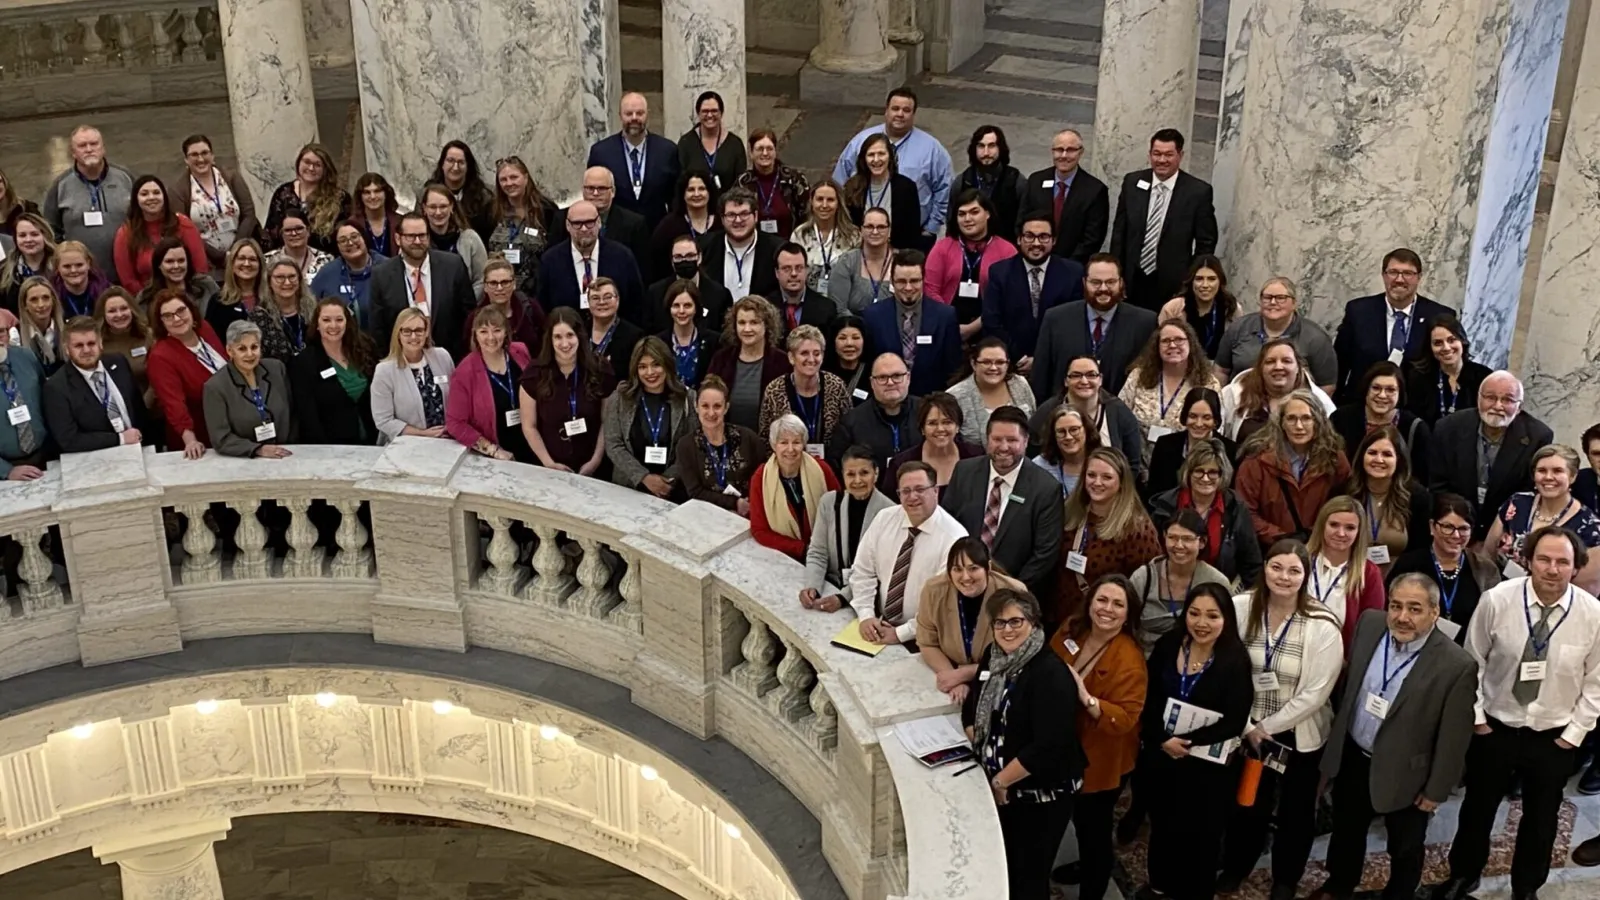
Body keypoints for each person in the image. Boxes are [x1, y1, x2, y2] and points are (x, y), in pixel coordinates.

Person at [1431, 527, 1600, 900]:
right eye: (1544, 559)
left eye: (1562, 562)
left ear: (1576, 568)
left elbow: (1596, 683)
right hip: (1495, 728)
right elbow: (1471, 662)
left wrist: (1572, 735)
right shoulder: (1497, 600)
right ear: (1528, 559)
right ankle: (1464, 874)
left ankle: (1526, 888)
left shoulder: (1592, 615)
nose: (1552, 569)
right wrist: (1477, 718)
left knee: (1541, 822)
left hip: (1553, 736)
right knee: (1477, 810)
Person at [1312, 575, 1478, 900]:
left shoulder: (1456, 665)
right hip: (1355, 756)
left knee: (1405, 845)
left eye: (1415, 609)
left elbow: (1453, 739)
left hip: (1409, 774)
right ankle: (1339, 884)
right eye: (1396, 606)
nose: (1402, 617)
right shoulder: (1370, 624)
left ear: (1435, 612)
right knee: (1347, 829)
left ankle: (1400, 894)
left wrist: (1435, 790)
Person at [1219, 539, 1344, 900]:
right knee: (1246, 805)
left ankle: (1286, 879)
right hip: (1246, 728)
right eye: (1276, 567)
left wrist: (1265, 729)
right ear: (1265, 568)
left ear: (1305, 577)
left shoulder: (1321, 624)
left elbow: (1316, 694)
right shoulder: (1241, 608)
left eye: (1294, 570)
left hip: (1296, 736)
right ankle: (1236, 866)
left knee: (1296, 813)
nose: (1284, 577)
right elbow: (1225, 670)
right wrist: (1247, 727)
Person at [960, 587, 1083, 900]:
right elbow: (973, 703)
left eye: (1016, 622)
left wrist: (1001, 780)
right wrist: (980, 743)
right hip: (1002, 786)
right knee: (1005, 868)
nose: (1007, 630)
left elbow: (1048, 747)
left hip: (1041, 795)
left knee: (1028, 877)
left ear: (1034, 623)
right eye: (1000, 623)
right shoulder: (993, 654)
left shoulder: (1050, 674)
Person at [1138, 582, 1254, 900]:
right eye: (1195, 613)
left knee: (1201, 837)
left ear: (1226, 619)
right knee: (1162, 826)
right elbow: (1147, 697)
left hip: (1207, 767)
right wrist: (1162, 739)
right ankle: (1158, 885)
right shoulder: (1168, 645)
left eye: (1212, 616)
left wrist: (1185, 742)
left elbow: (1234, 719)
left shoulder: (1235, 661)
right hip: (1164, 755)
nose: (1201, 623)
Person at [1044, 573, 1145, 900]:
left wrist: (1087, 698)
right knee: (1072, 817)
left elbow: (1125, 719)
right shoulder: (1072, 628)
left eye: (1118, 604)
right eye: (1102, 600)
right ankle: (1084, 866)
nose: (1107, 609)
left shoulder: (1130, 660)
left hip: (1101, 761)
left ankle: (1093, 885)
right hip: (1061, 746)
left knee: (1094, 830)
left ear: (1128, 614)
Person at [941, 405, 1063, 599]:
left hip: (1014, 594)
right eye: (997, 439)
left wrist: (1010, 590)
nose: (1004, 447)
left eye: (1012, 440)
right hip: (960, 587)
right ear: (987, 440)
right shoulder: (964, 472)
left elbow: (1045, 554)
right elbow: (946, 527)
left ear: (1026, 441)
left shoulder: (1046, 488)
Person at [850, 460, 968, 644]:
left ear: (936, 491)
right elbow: (863, 571)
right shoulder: (884, 519)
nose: (912, 497)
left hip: (928, 638)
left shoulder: (955, 538)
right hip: (880, 625)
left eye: (920, 489)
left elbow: (943, 603)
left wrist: (900, 634)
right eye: (905, 491)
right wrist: (866, 615)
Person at [1428, 370, 1554, 541]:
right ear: (1478, 398)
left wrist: (1499, 534)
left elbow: (1529, 493)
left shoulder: (1538, 437)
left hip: (1504, 532)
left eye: (1508, 400)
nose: (1497, 406)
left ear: (1519, 408)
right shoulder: (1448, 428)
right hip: (1453, 529)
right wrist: (1459, 530)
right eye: (1490, 397)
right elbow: (1438, 485)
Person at [1108, 129, 1218, 311]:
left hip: (1173, 284)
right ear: (1150, 154)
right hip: (1131, 278)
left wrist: (1190, 280)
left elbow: (1206, 242)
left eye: (1168, 154)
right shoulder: (1132, 182)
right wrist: (1116, 274)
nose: (1161, 160)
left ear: (1180, 155)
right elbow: (1119, 232)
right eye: (1156, 154)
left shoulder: (1198, 192)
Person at [1333, 249, 1455, 405]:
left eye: (1408, 273)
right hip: (1362, 407)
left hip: (1418, 409)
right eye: (1393, 272)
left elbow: (1449, 367)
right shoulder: (1358, 312)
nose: (1399, 279)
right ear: (1383, 275)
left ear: (1419, 277)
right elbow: (1340, 364)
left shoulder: (1439, 315)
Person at [832, 88, 954, 242]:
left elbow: (945, 189)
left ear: (914, 114)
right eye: (895, 108)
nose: (900, 114)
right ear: (886, 111)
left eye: (906, 110)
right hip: (858, 237)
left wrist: (931, 228)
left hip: (909, 237)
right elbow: (838, 183)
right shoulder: (860, 142)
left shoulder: (932, 149)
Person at [1235, 389, 1353, 549]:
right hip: (1269, 548)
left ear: (1317, 422)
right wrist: (1281, 538)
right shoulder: (1256, 461)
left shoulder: (1334, 459)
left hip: (1319, 547)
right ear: (1281, 423)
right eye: (1291, 418)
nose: (1299, 426)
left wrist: (1316, 536)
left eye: (1306, 418)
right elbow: (1246, 512)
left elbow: (1344, 502)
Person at [1057, 447, 1162, 626]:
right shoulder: (1069, 513)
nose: (1097, 482)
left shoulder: (1137, 529)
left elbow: (1145, 585)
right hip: (1061, 619)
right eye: (1091, 475)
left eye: (1106, 477)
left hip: (1103, 624)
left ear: (1122, 482)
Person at [915, 537, 1028, 701]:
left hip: (999, 680)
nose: (965, 577)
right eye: (957, 569)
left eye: (973, 568)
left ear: (987, 567)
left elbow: (1019, 655)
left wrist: (964, 674)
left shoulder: (1014, 593)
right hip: (950, 673)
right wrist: (952, 677)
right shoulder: (933, 590)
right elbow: (927, 642)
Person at [1032, 253, 1158, 398]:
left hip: (1119, 414)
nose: (1103, 288)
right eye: (1096, 282)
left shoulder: (1145, 322)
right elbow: (1040, 378)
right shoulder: (1055, 319)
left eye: (1110, 282)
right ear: (1084, 283)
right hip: (1065, 413)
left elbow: (1149, 376)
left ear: (1121, 283)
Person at [1484, 444, 1600, 595]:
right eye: (1542, 471)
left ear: (1572, 476)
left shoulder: (1590, 526)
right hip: (1502, 596)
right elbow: (1487, 554)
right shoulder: (1517, 503)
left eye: (1557, 471)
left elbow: (1582, 590)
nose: (1548, 477)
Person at [1386, 492, 1500, 642]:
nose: (1456, 535)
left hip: (1467, 652)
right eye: (1448, 527)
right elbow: (1390, 610)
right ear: (1432, 527)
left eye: (1463, 529)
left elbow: (1495, 618)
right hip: (1414, 647)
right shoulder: (1409, 564)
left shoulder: (1485, 569)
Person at [1149, 438, 1262, 588]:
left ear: (1223, 475)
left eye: (1213, 472)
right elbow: (1151, 556)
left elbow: (1251, 563)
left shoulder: (1236, 508)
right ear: (1188, 473)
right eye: (1199, 471)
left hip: (1217, 590)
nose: (1205, 478)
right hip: (1168, 588)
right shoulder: (1165, 506)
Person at [980, 213, 1084, 375]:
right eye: (1029, 236)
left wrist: (1042, 359)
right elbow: (992, 322)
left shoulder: (1073, 273)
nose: (1036, 243)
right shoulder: (1000, 272)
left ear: (1054, 240)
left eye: (1043, 237)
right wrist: (1019, 358)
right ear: (1019, 239)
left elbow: (1074, 324)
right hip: (1012, 365)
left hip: (1057, 366)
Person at [517, 307, 615, 475]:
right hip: (548, 466)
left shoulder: (600, 370)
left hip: (595, 465)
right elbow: (529, 426)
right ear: (550, 339)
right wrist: (549, 463)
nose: (564, 344)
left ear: (580, 336)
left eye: (570, 335)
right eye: (558, 337)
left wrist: (595, 461)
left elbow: (608, 422)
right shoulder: (534, 374)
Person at [801, 445, 895, 613]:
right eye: (851, 474)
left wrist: (843, 597)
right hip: (831, 587)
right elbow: (818, 552)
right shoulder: (829, 503)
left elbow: (879, 570)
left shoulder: (890, 512)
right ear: (843, 476)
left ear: (876, 473)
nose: (857, 480)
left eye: (864, 473)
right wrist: (812, 586)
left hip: (868, 600)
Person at [370, 212, 475, 357]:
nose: (418, 241)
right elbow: (378, 328)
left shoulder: (453, 266)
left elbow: (469, 316)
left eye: (422, 235)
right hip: (402, 361)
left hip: (450, 358)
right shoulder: (381, 274)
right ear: (398, 238)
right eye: (411, 236)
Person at [602, 335, 694, 499]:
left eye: (656, 365)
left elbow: (692, 445)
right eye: (642, 366)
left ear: (667, 364)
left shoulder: (688, 398)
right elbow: (613, 444)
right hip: (628, 489)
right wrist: (643, 477)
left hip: (673, 492)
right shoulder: (620, 398)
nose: (650, 372)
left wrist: (665, 482)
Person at [1118, 319, 1220, 466]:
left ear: (1190, 343)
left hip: (1188, 468)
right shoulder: (1138, 377)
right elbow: (1120, 418)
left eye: (1179, 340)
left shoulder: (1208, 383)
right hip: (1138, 465)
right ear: (1157, 347)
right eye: (1166, 341)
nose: (1172, 345)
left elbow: (1214, 428)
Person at [1027, 355, 1145, 480]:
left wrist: (1118, 492)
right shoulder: (1046, 413)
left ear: (1100, 379)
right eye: (1076, 375)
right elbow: (1032, 456)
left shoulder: (1120, 412)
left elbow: (1132, 463)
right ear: (1066, 381)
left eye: (1091, 375)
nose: (1084, 381)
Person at [861, 249, 960, 397]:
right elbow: (868, 364)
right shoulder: (872, 316)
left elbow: (953, 367)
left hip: (931, 401)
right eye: (901, 281)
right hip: (887, 401)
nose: (908, 288)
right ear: (892, 281)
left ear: (923, 280)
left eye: (914, 281)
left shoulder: (945, 316)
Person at [42, 315, 148, 451]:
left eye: (91, 343)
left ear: (100, 343)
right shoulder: (56, 387)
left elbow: (139, 410)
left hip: (138, 448)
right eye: (78, 346)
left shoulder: (118, 362)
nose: (86, 350)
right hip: (96, 459)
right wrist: (120, 439)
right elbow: (68, 439)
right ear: (67, 349)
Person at [1130, 509, 1231, 653]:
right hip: (1143, 660)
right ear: (1164, 537)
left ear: (1202, 542)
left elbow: (1226, 633)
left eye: (1187, 539)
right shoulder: (1143, 578)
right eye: (1172, 537)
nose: (1179, 545)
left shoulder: (1216, 582)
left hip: (1195, 662)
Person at [1214, 276, 1339, 389]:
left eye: (1281, 298)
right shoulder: (1239, 327)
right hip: (1241, 406)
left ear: (1294, 303)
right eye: (1267, 297)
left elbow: (1327, 385)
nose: (1273, 302)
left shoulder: (1316, 338)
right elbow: (1221, 370)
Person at [42, 125, 134, 279]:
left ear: (103, 148)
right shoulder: (60, 185)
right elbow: (50, 232)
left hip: (127, 273)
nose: (89, 149)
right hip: (80, 277)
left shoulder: (125, 178)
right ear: (73, 153)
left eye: (94, 144)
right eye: (82, 146)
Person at [926, 189, 1018, 338]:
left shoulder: (1007, 251)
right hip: (945, 327)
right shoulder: (942, 248)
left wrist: (973, 328)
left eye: (974, 212)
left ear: (987, 214)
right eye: (961, 214)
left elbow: (1009, 297)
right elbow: (930, 290)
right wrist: (950, 322)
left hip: (992, 330)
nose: (967, 219)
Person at [449, 306, 535, 462]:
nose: (491, 337)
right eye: (483, 331)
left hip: (532, 445)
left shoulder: (521, 352)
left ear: (506, 331)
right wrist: (492, 450)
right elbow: (455, 423)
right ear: (475, 334)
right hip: (498, 455)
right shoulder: (464, 372)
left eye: (496, 330)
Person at [146, 290, 226, 457]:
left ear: (191, 310)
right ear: (161, 323)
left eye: (181, 311)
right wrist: (190, 440)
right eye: (168, 316)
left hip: (230, 422)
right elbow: (173, 403)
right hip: (202, 434)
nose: (176, 319)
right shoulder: (160, 356)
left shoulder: (205, 328)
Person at [750, 413, 841, 560]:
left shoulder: (821, 469)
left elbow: (839, 510)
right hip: (784, 557)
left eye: (796, 442)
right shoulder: (760, 478)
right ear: (774, 445)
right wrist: (800, 549)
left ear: (804, 444)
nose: (790, 449)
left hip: (827, 552)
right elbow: (759, 530)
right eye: (784, 442)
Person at [537, 199, 646, 321]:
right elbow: (543, 307)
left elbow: (636, 304)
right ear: (567, 225)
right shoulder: (550, 261)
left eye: (589, 223)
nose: (583, 229)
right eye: (577, 224)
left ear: (599, 223)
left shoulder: (622, 256)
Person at [1303, 496, 1389, 650]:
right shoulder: (1300, 561)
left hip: (1340, 658)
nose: (1341, 533)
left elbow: (1370, 628)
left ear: (1359, 532)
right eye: (1334, 525)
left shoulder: (1369, 573)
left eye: (1350, 528)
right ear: (1322, 525)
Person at [587, 92, 682, 228]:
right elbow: (593, 195)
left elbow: (675, 197)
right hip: (617, 232)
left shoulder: (667, 150)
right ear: (620, 115)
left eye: (639, 113)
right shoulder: (601, 152)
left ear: (647, 114)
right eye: (628, 113)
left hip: (657, 231)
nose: (634, 118)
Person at [289, 298, 376, 444]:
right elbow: (308, 415)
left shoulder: (365, 351)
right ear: (317, 324)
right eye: (326, 320)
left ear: (347, 322)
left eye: (339, 320)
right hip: (331, 447)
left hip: (372, 440)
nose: (333, 325)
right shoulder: (304, 363)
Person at [202, 320, 294, 457]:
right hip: (246, 459)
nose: (250, 354)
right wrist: (258, 449)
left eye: (254, 347)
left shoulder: (277, 369)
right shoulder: (215, 387)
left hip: (287, 453)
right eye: (242, 349)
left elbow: (293, 414)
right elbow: (221, 439)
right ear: (229, 350)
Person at [1017, 128, 1108, 264]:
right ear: (1052, 151)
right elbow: (1021, 222)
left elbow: (1093, 239)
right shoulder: (1035, 181)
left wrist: (1065, 267)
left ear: (1080, 152)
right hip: (1033, 261)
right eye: (1059, 149)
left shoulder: (1095, 190)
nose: (1064, 155)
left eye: (1071, 150)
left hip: (1072, 267)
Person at [1345, 426, 1432, 567]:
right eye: (1372, 453)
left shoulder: (1417, 497)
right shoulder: (1345, 491)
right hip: (1351, 575)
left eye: (1387, 454)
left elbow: (1421, 550)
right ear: (1362, 456)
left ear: (1399, 459)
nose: (1379, 459)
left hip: (1401, 578)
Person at [1331, 361, 1432, 483]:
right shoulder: (1340, 419)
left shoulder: (1415, 428)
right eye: (1376, 388)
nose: (1382, 395)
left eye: (1390, 390)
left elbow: (1422, 478)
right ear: (1366, 389)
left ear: (1400, 393)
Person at [1220, 338, 1337, 443]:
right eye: (1270, 361)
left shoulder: (1320, 401)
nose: (1278, 367)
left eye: (1286, 361)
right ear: (1260, 368)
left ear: (1298, 368)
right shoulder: (1234, 394)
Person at [826, 352, 920, 478]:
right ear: (872, 382)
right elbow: (839, 469)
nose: (890, 382)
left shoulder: (927, 413)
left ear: (908, 378)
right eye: (882, 377)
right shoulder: (851, 423)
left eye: (897, 376)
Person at [676, 374, 761, 513]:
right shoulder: (686, 446)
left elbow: (763, 475)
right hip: (706, 515)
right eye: (705, 406)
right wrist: (734, 503)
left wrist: (748, 504)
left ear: (726, 408)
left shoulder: (748, 438)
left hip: (748, 513)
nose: (711, 413)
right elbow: (695, 491)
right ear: (696, 407)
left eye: (717, 406)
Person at [757, 324, 849, 453]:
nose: (811, 359)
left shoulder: (836, 386)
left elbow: (849, 430)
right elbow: (766, 438)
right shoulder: (775, 390)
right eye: (804, 353)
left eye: (816, 353)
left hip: (831, 466)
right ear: (791, 357)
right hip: (788, 465)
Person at [112, 175, 209, 295]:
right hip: (147, 301)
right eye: (144, 194)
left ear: (164, 197)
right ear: (136, 199)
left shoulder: (183, 225)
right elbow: (128, 280)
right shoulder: (126, 233)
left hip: (187, 296)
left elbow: (200, 267)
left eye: (156, 192)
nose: (151, 197)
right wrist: (150, 300)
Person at [370, 307, 454, 444]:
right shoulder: (384, 371)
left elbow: (456, 398)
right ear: (398, 333)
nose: (414, 337)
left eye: (419, 330)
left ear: (426, 332)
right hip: (407, 445)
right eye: (407, 331)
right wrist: (423, 434)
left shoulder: (442, 357)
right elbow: (383, 420)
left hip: (447, 441)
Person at [174, 134, 258, 269]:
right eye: (194, 155)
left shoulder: (232, 178)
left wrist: (236, 251)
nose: (200, 159)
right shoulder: (179, 190)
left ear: (212, 156)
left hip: (241, 257)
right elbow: (181, 229)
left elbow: (249, 213)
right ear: (186, 160)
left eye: (204, 153)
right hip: (206, 261)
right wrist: (218, 256)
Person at [708, 295, 790, 431]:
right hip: (726, 441)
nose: (747, 329)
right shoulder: (721, 359)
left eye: (754, 322)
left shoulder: (782, 362)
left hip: (769, 443)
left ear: (767, 325)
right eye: (741, 322)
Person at [883, 391, 982, 494]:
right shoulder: (900, 464)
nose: (940, 429)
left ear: (957, 426)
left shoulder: (976, 457)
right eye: (932, 423)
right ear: (922, 429)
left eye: (947, 422)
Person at [486, 156, 558, 297]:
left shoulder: (546, 210)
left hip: (538, 292)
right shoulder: (491, 211)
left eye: (514, 177)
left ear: (525, 178)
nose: (509, 183)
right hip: (501, 292)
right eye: (503, 179)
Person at [1404, 314, 1491, 427]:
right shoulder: (1417, 378)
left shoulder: (1484, 377)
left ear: (1462, 341)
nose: (1446, 347)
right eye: (1438, 343)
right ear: (1430, 347)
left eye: (1451, 340)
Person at [947, 337, 1037, 445]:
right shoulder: (955, 396)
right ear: (973, 364)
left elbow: (1033, 423)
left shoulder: (1020, 384)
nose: (993, 368)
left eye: (1000, 362)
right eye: (986, 362)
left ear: (1007, 364)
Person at [262, 143, 349, 254]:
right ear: (299, 163)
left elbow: (344, 234)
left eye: (317, 165)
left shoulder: (339, 197)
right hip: (286, 261)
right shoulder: (283, 192)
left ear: (325, 169)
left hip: (326, 260)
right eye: (307, 162)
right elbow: (270, 232)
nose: (311, 168)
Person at [1145, 387, 1234, 496]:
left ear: (1215, 421)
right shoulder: (1165, 445)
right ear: (1185, 416)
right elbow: (1153, 492)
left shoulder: (1230, 451)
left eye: (1206, 418)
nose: (1199, 423)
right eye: (1193, 416)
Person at [841, 135, 923, 251]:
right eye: (871, 155)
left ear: (890, 156)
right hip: (860, 253)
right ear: (864, 158)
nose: (876, 159)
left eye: (881, 154)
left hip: (896, 255)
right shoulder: (852, 187)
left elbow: (912, 232)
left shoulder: (906, 187)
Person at [948, 125, 1024, 245]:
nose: (986, 152)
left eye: (992, 146)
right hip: (969, 249)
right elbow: (952, 224)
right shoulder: (963, 181)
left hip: (1006, 251)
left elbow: (1022, 224)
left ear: (1000, 148)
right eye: (981, 146)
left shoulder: (1016, 181)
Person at [699, 188, 780, 300]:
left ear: (755, 216)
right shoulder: (704, 248)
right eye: (731, 215)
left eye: (744, 214)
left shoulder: (777, 249)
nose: (738, 220)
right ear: (722, 219)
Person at [645, 233, 733, 336]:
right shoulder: (655, 293)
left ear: (699, 258)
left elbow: (725, 336)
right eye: (678, 257)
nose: (684, 261)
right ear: (672, 262)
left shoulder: (720, 294)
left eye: (690, 256)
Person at [1157, 255, 1237, 361]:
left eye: (1211, 279)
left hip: (1219, 371)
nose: (1205, 285)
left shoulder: (1231, 309)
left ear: (1220, 281)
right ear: (1191, 281)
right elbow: (1161, 345)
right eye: (1199, 279)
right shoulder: (1173, 308)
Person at [647, 172, 719, 288]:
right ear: (683, 194)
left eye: (702, 189)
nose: (696, 194)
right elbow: (657, 265)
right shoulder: (668, 227)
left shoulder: (722, 222)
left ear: (710, 192)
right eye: (690, 189)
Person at [311, 223, 386, 333]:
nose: (350, 243)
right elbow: (311, 308)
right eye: (343, 240)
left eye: (354, 236)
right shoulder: (327, 273)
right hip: (340, 342)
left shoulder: (387, 267)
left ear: (364, 238)